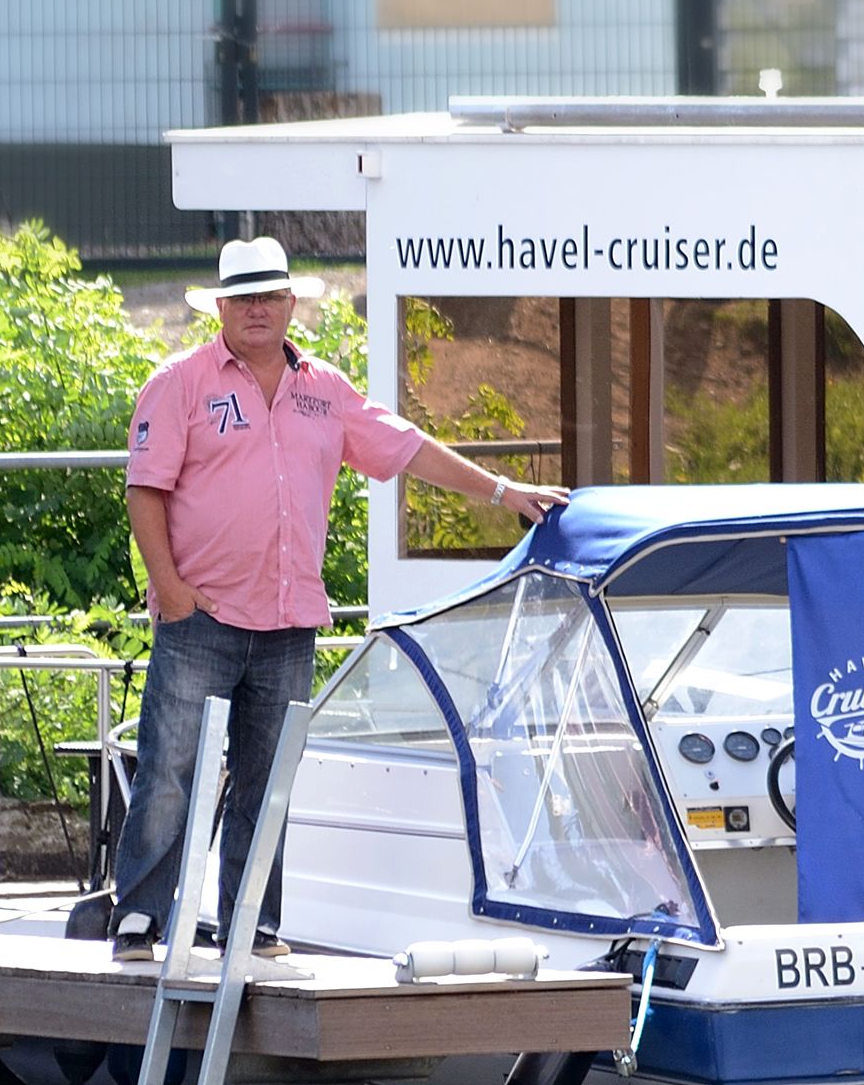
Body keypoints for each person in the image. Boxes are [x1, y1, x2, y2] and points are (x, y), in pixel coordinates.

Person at [107, 237, 569, 962]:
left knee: (269, 776)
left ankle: (253, 921)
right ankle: (139, 915)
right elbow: (144, 489)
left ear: (292, 304)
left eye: (270, 296)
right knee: (171, 764)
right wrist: (170, 588)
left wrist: (505, 492)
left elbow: (407, 446)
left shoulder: (326, 389)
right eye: (244, 298)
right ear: (220, 307)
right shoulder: (179, 382)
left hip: (290, 619)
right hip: (203, 614)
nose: (258, 309)